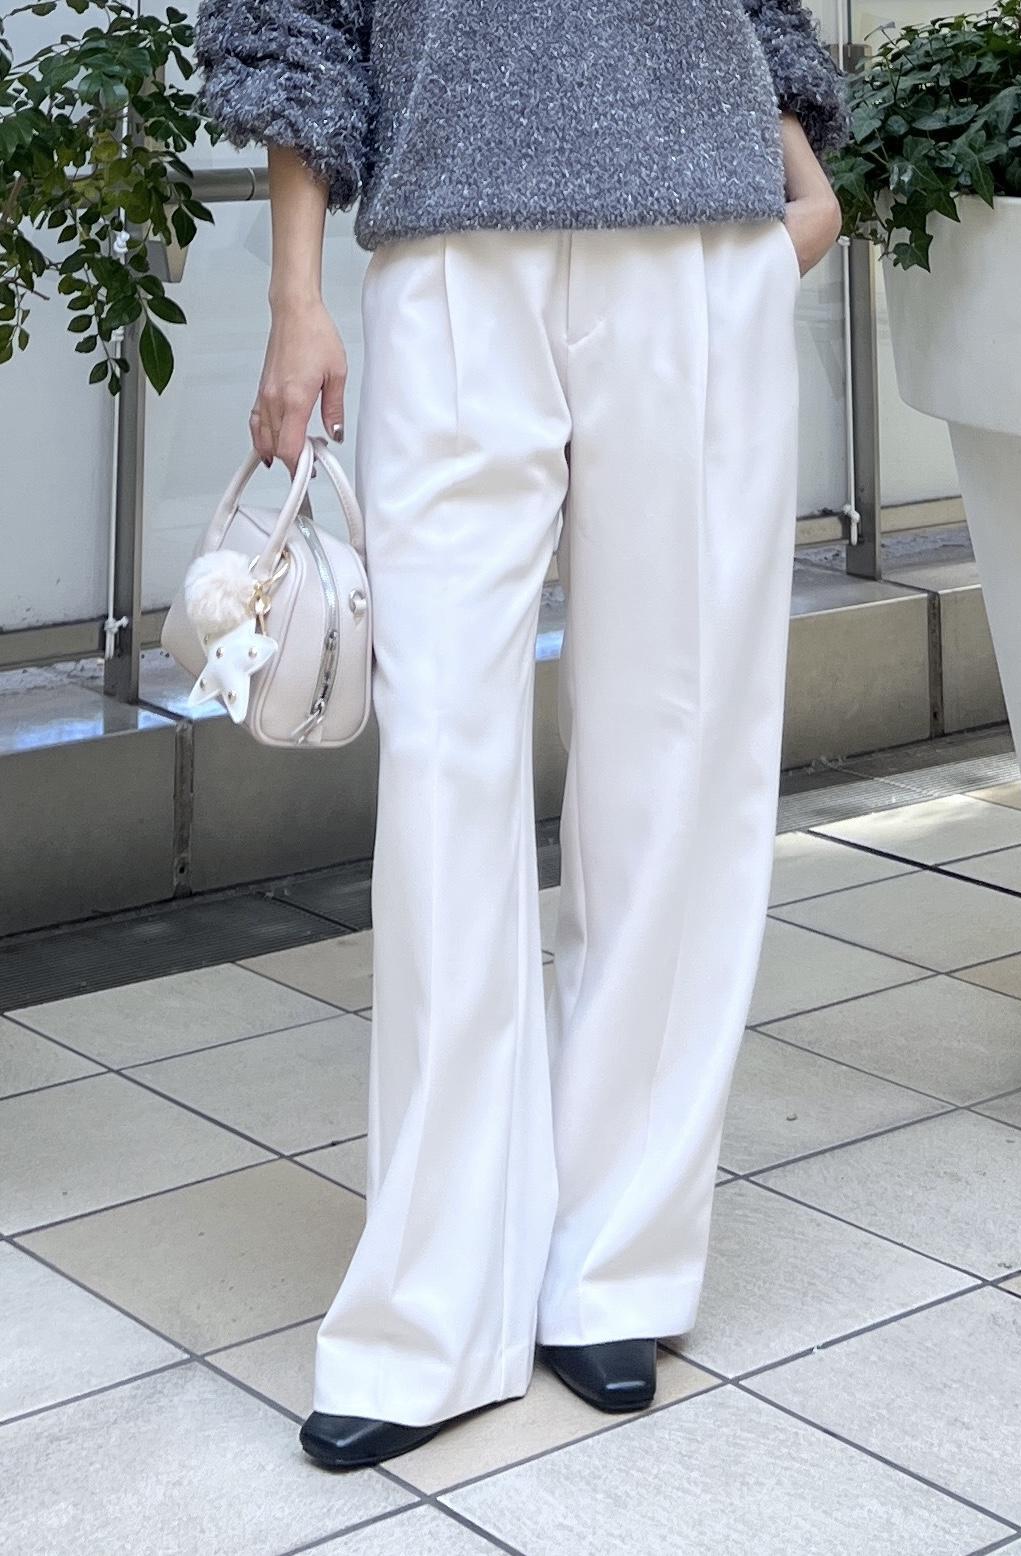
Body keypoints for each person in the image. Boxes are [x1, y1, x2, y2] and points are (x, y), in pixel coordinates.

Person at [193, 0, 849, 1469]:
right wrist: (297, 294)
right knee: (443, 771)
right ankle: (431, 1307)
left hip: (700, 242)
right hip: (451, 252)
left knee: (681, 749)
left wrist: (802, 186)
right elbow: (293, 18)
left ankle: (617, 1260)